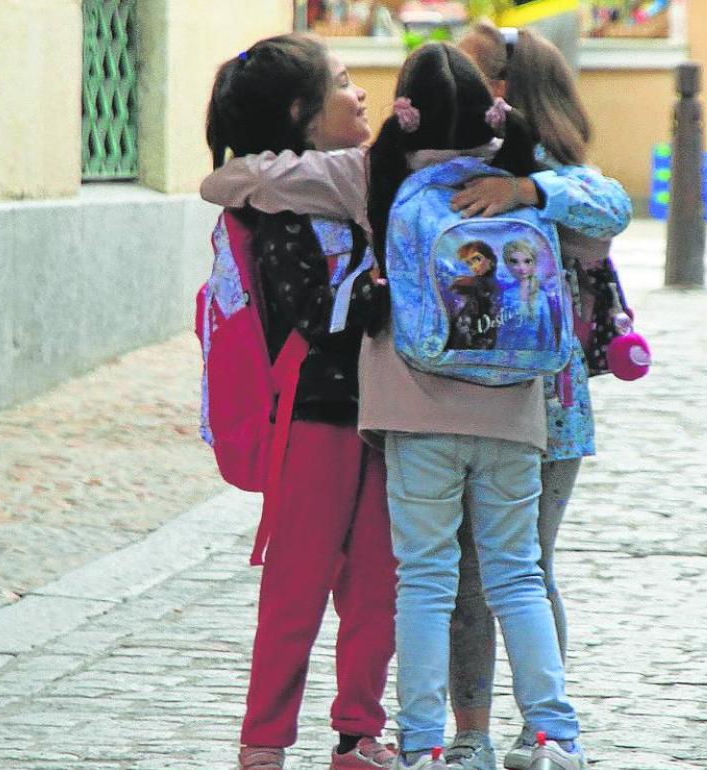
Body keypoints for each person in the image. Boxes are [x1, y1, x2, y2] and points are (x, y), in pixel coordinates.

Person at [199, 39, 629, 770]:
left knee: (418, 582)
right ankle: (553, 734)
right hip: (514, 415)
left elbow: (232, 183)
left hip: (407, 416)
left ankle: (420, 744)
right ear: (491, 111)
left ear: (407, 113)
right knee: (515, 575)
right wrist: (530, 191)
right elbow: (609, 209)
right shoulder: (519, 172)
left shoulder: (373, 175)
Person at [204, 34, 398, 770]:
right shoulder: (280, 213)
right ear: (301, 114)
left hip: (381, 414)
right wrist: (386, 293)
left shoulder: (343, 192)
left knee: (377, 579)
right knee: (298, 584)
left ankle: (358, 732)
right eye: (344, 82)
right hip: (314, 418)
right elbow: (317, 317)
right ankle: (265, 740)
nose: (361, 94)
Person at [447, 22, 633, 770]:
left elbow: (609, 205)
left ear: (500, 91)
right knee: (464, 571)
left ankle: (542, 730)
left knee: (523, 567)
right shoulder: (452, 163)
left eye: (461, 75)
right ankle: (470, 732)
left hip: (549, 411)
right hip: (461, 404)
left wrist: (527, 190)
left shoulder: (551, 175)